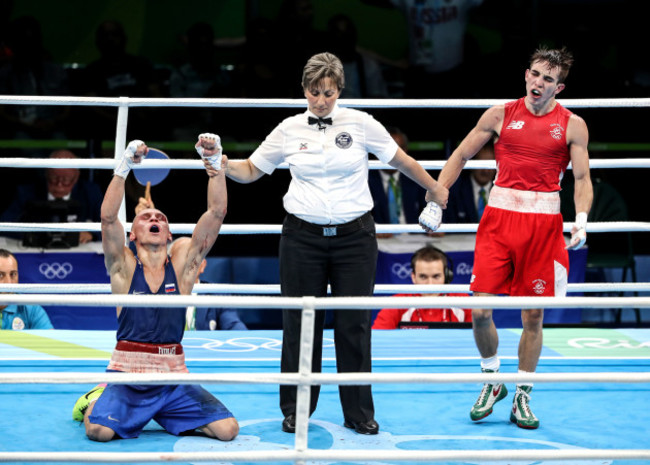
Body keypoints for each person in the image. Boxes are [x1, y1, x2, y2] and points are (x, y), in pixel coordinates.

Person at [224, 52, 448, 435]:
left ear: (339, 90)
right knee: (299, 324)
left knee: (354, 326)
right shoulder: (289, 128)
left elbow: (402, 161)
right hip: (301, 238)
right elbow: (250, 171)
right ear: (304, 91)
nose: (321, 101)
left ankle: (359, 413)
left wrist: (436, 189)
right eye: (314, 93)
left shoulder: (361, 123)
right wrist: (220, 162)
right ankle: (296, 409)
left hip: (355, 239)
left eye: (328, 93)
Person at [434, 46, 593, 429]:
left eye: (549, 79)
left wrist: (582, 219)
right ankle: (492, 380)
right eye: (536, 74)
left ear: (560, 87)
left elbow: (583, 179)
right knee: (480, 311)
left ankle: (523, 393)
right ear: (526, 74)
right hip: (500, 221)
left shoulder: (572, 125)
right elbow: (460, 155)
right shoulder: (499, 114)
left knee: (533, 316)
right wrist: (437, 196)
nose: (540, 83)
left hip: (543, 225)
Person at [72, 135, 238, 442]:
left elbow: (216, 214)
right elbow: (108, 218)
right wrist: (123, 167)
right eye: (146, 217)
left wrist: (215, 165)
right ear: (133, 234)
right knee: (99, 431)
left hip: (173, 378)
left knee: (228, 431)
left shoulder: (183, 268)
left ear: (169, 233)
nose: (154, 219)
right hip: (127, 376)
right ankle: (96, 397)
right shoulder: (122, 266)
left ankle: (161, 411)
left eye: (160, 218)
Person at [0, 149, 103, 245]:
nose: (59, 185)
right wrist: (34, 234)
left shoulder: (91, 192)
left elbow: (110, 224)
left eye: (66, 180)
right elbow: (5, 225)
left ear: (76, 178)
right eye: (54, 178)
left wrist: (92, 234)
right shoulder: (26, 192)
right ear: (46, 174)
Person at [372, 246, 471, 329]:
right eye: (423, 277)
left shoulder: (463, 302)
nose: (430, 284)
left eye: (436, 276)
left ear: (446, 276)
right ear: (413, 277)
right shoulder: (397, 303)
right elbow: (376, 340)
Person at [168, 237, 248, 331]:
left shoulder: (218, 295)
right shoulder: (158, 294)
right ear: (168, 263)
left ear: (203, 265)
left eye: (193, 256)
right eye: (181, 256)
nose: (187, 262)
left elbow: (234, 326)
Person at [368, 127, 428, 236]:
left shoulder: (416, 178)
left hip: (415, 240)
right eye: (386, 149)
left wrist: (431, 227)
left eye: (397, 150)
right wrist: (372, 231)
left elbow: (430, 209)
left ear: (405, 152)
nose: (391, 155)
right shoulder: (365, 181)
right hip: (380, 243)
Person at [442, 141, 496, 224]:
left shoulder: (505, 191)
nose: (486, 170)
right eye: (481, 164)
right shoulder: (454, 190)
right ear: (471, 164)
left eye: (489, 164)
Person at [0, 248, 53, 330]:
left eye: (13, 274)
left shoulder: (31, 308)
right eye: (0, 275)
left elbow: (51, 341)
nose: (9, 282)